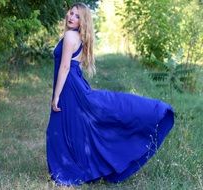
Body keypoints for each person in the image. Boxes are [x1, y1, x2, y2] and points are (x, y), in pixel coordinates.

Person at [46, 2, 174, 186]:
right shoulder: (78, 37)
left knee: (61, 127)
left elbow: (66, 67)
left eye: (77, 16)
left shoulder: (69, 36)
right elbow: (74, 66)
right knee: (75, 126)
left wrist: (56, 95)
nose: (71, 17)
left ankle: (67, 170)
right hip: (74, 85)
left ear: (83, 22)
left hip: (68, 87)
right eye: (71, 13)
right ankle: (72, 167)